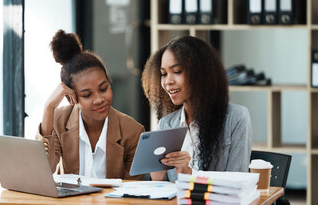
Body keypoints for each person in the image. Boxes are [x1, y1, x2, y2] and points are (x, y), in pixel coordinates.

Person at [36, 29, 145, 180]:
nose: (99, 99)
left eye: (103, 88)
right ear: (71, 98)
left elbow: (132, 193)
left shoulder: (132, 131)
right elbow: (42, 169)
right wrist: (48, 108)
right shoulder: (59, 120)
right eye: (87, 95)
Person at [141, 35, 252, 182]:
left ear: (200, 73)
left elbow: (238, 182)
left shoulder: (236, 118)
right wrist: (157, 178)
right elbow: (163, 190)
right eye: (163, 74)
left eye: (177, 71)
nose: (168, 81)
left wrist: (189, 175)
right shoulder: (166, 125)